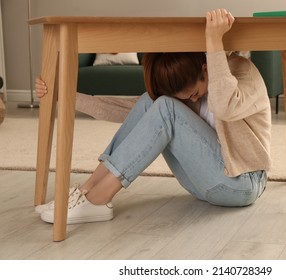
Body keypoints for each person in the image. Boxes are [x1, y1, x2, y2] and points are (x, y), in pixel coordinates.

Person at [35, 9, 272, 224]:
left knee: (166, 108)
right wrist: (63, 95)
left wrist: (213, 41)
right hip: (203, 183)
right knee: (153, 102)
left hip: (242, 183)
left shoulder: (243, 71)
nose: (192, 100)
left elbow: (224, 105)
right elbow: (127, 112)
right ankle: (86, 191)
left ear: (206, 69)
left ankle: (98, 199)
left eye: (194, 94)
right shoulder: (190, 85)